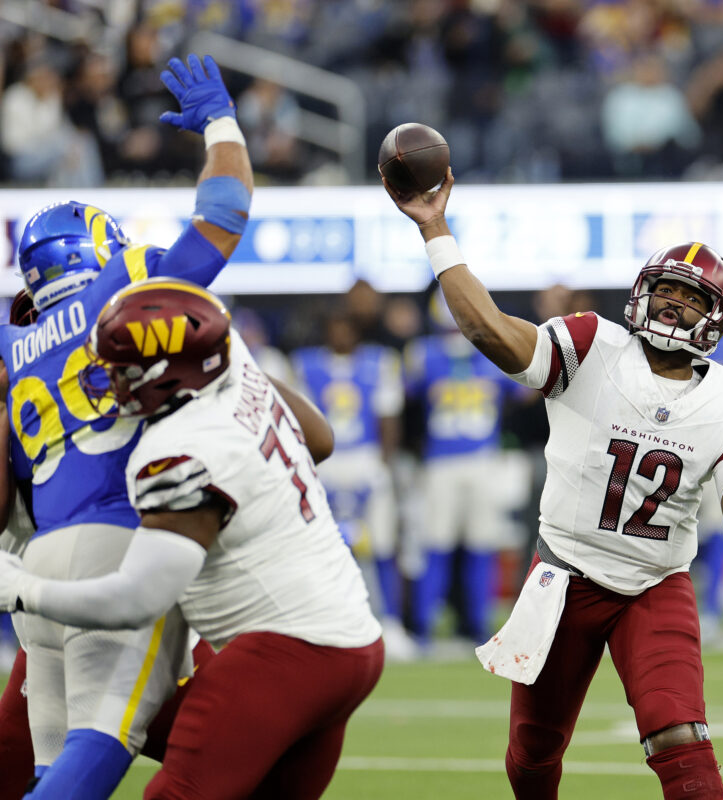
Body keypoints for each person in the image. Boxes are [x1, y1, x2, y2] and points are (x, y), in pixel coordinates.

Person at [386, 167, 723, 799]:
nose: (673, 305)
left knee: (679, 734)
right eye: (666, 291)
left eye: (692, 300)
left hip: (655, 585)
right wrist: (435, 228)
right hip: (565, 574)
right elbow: (487, 328)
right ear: (641, 292)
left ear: (715, 320)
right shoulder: (592, 343)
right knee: (533, 754)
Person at [0, 278, 383, 798]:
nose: (102, 382)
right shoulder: (235, 379)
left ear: (162, 374)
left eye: (120, 369)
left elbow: (136, 599)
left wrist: (22, 589)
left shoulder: (182, 450)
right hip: (350, 639)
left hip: (284, 650)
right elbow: (319, 437)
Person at [0, 53, 253, 799]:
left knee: (54, 768)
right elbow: (224, 216)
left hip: (37, 561)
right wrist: (220, 122)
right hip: (119, 547)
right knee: (99, 753)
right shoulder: (126, 280)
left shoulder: (12, 343)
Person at [404, 289, 526, 650]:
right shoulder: (423, 354)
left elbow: (526, 391)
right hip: (441, 463)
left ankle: (478, 624)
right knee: (436, 545)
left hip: (481, 460)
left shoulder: (488, 353)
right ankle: (424, 627)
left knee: (480, 545)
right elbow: (406, 399)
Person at [292, 307, 416, 661]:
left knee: (381, 545)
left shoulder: (379, 362)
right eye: (335, 327)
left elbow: (388, 416)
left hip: (365, 459)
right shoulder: (307, 365)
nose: (341, 336)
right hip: (324, 464)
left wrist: (383, 464)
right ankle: (319, 622)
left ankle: (390, 623)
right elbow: (300, 419)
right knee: (317, 548)